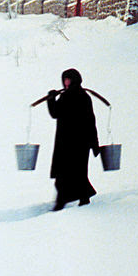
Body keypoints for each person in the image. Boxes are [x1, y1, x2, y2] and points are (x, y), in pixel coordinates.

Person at [47, 68, 99, 210]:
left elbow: (56, 113)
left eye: (68, 79)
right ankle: (83, 199)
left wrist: (51, 99)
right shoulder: (82, 96)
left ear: (75, 80)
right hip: (77, 143)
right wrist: (94, 143)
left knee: (65, 175)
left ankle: (61, 203)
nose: (66, 82)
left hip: (72, 143)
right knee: (77, 174)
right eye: (64, 79)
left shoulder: (71, 96)